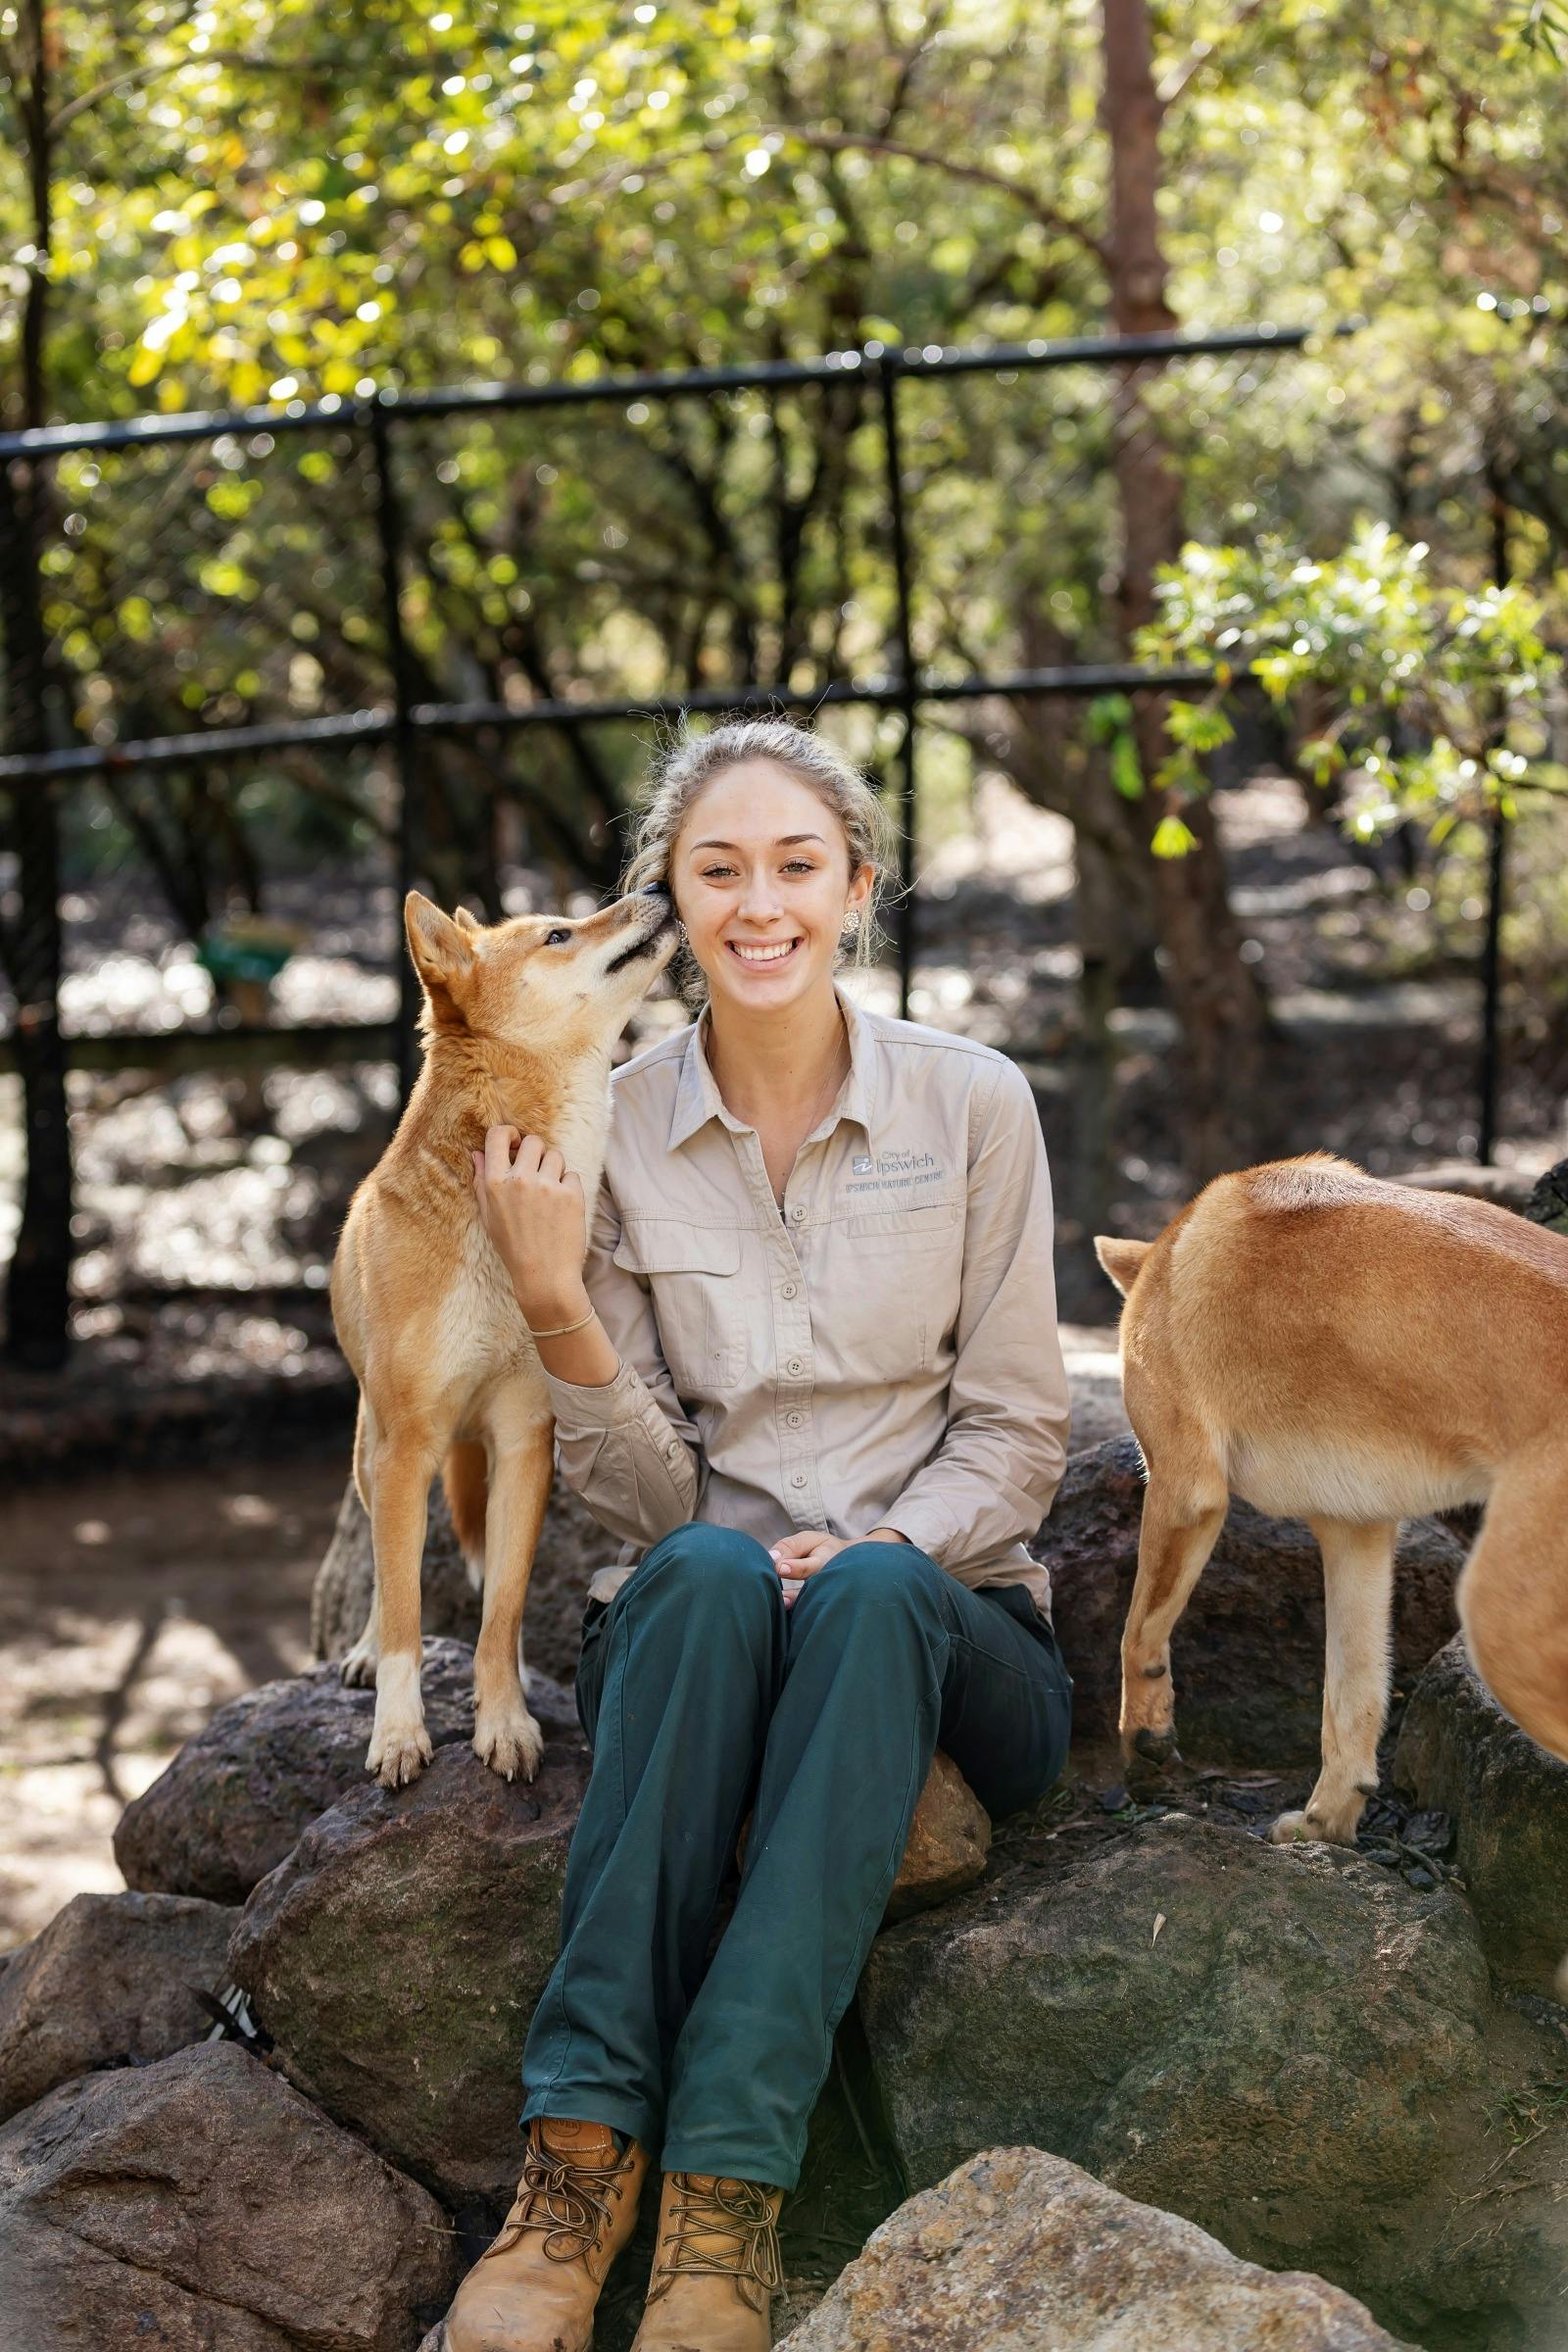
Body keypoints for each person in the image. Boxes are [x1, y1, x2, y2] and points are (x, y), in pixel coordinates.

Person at [441, 717, 1074, 2352]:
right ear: (673, 892)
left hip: (952, 1632)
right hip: (707, 1615)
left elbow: (1019, 1428)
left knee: (866, 1593)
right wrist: (551, 1297)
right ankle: (575, 2166)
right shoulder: (613, 1128)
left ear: (858, 886)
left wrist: (893, 1548)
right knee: (711, 1568)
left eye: (797, 864)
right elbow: (642, 1508)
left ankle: (729, 2194)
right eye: (717, 870)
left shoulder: (976, 1103)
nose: (759, 903)